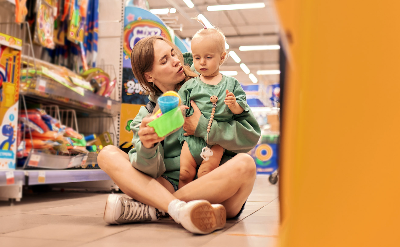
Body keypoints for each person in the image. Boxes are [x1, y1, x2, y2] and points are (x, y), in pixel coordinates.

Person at [97, 36, 261, 234]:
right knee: (107, 154)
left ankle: (158, 208)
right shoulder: (148, 116)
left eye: (173, 53)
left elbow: (251, 136)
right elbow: (148, 173)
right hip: (170, 185)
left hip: (219, 188)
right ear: (149, 76)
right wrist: (148, 147)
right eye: (164, 60)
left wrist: (203, 127)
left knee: (245, 164)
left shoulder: (212, 86)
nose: (175, 60)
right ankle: (179, 209)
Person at [177, 27, 252, 189]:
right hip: (191, 140)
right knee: (184, 173)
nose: (202, 62)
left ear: (222, 58)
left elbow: (242, 109)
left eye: (208, 57)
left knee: (206, 173)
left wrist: (234, 106)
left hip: (216, 142)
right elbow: (179, 104)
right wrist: (179, 110)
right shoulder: (190, 86)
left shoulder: (231, 84)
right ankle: (181, 204)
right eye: (197, 57)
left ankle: (202, 202)